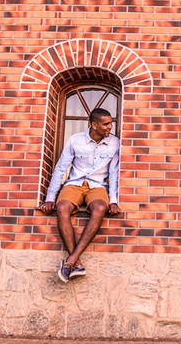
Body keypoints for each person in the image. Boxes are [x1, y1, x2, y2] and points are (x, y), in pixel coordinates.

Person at [38, 107, 122, 282]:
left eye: (111, 124)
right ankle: (75, 262)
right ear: (94, 125)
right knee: (62, 208)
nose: (110, 127)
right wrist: (50, 198)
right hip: (74, 184)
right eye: (106, 124)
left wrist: (114, 201)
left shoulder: (115, 143)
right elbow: (60, 169)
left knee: (100, 208)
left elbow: (114, 173)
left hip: (98, 186)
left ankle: (71, 261)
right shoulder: (75, 140)